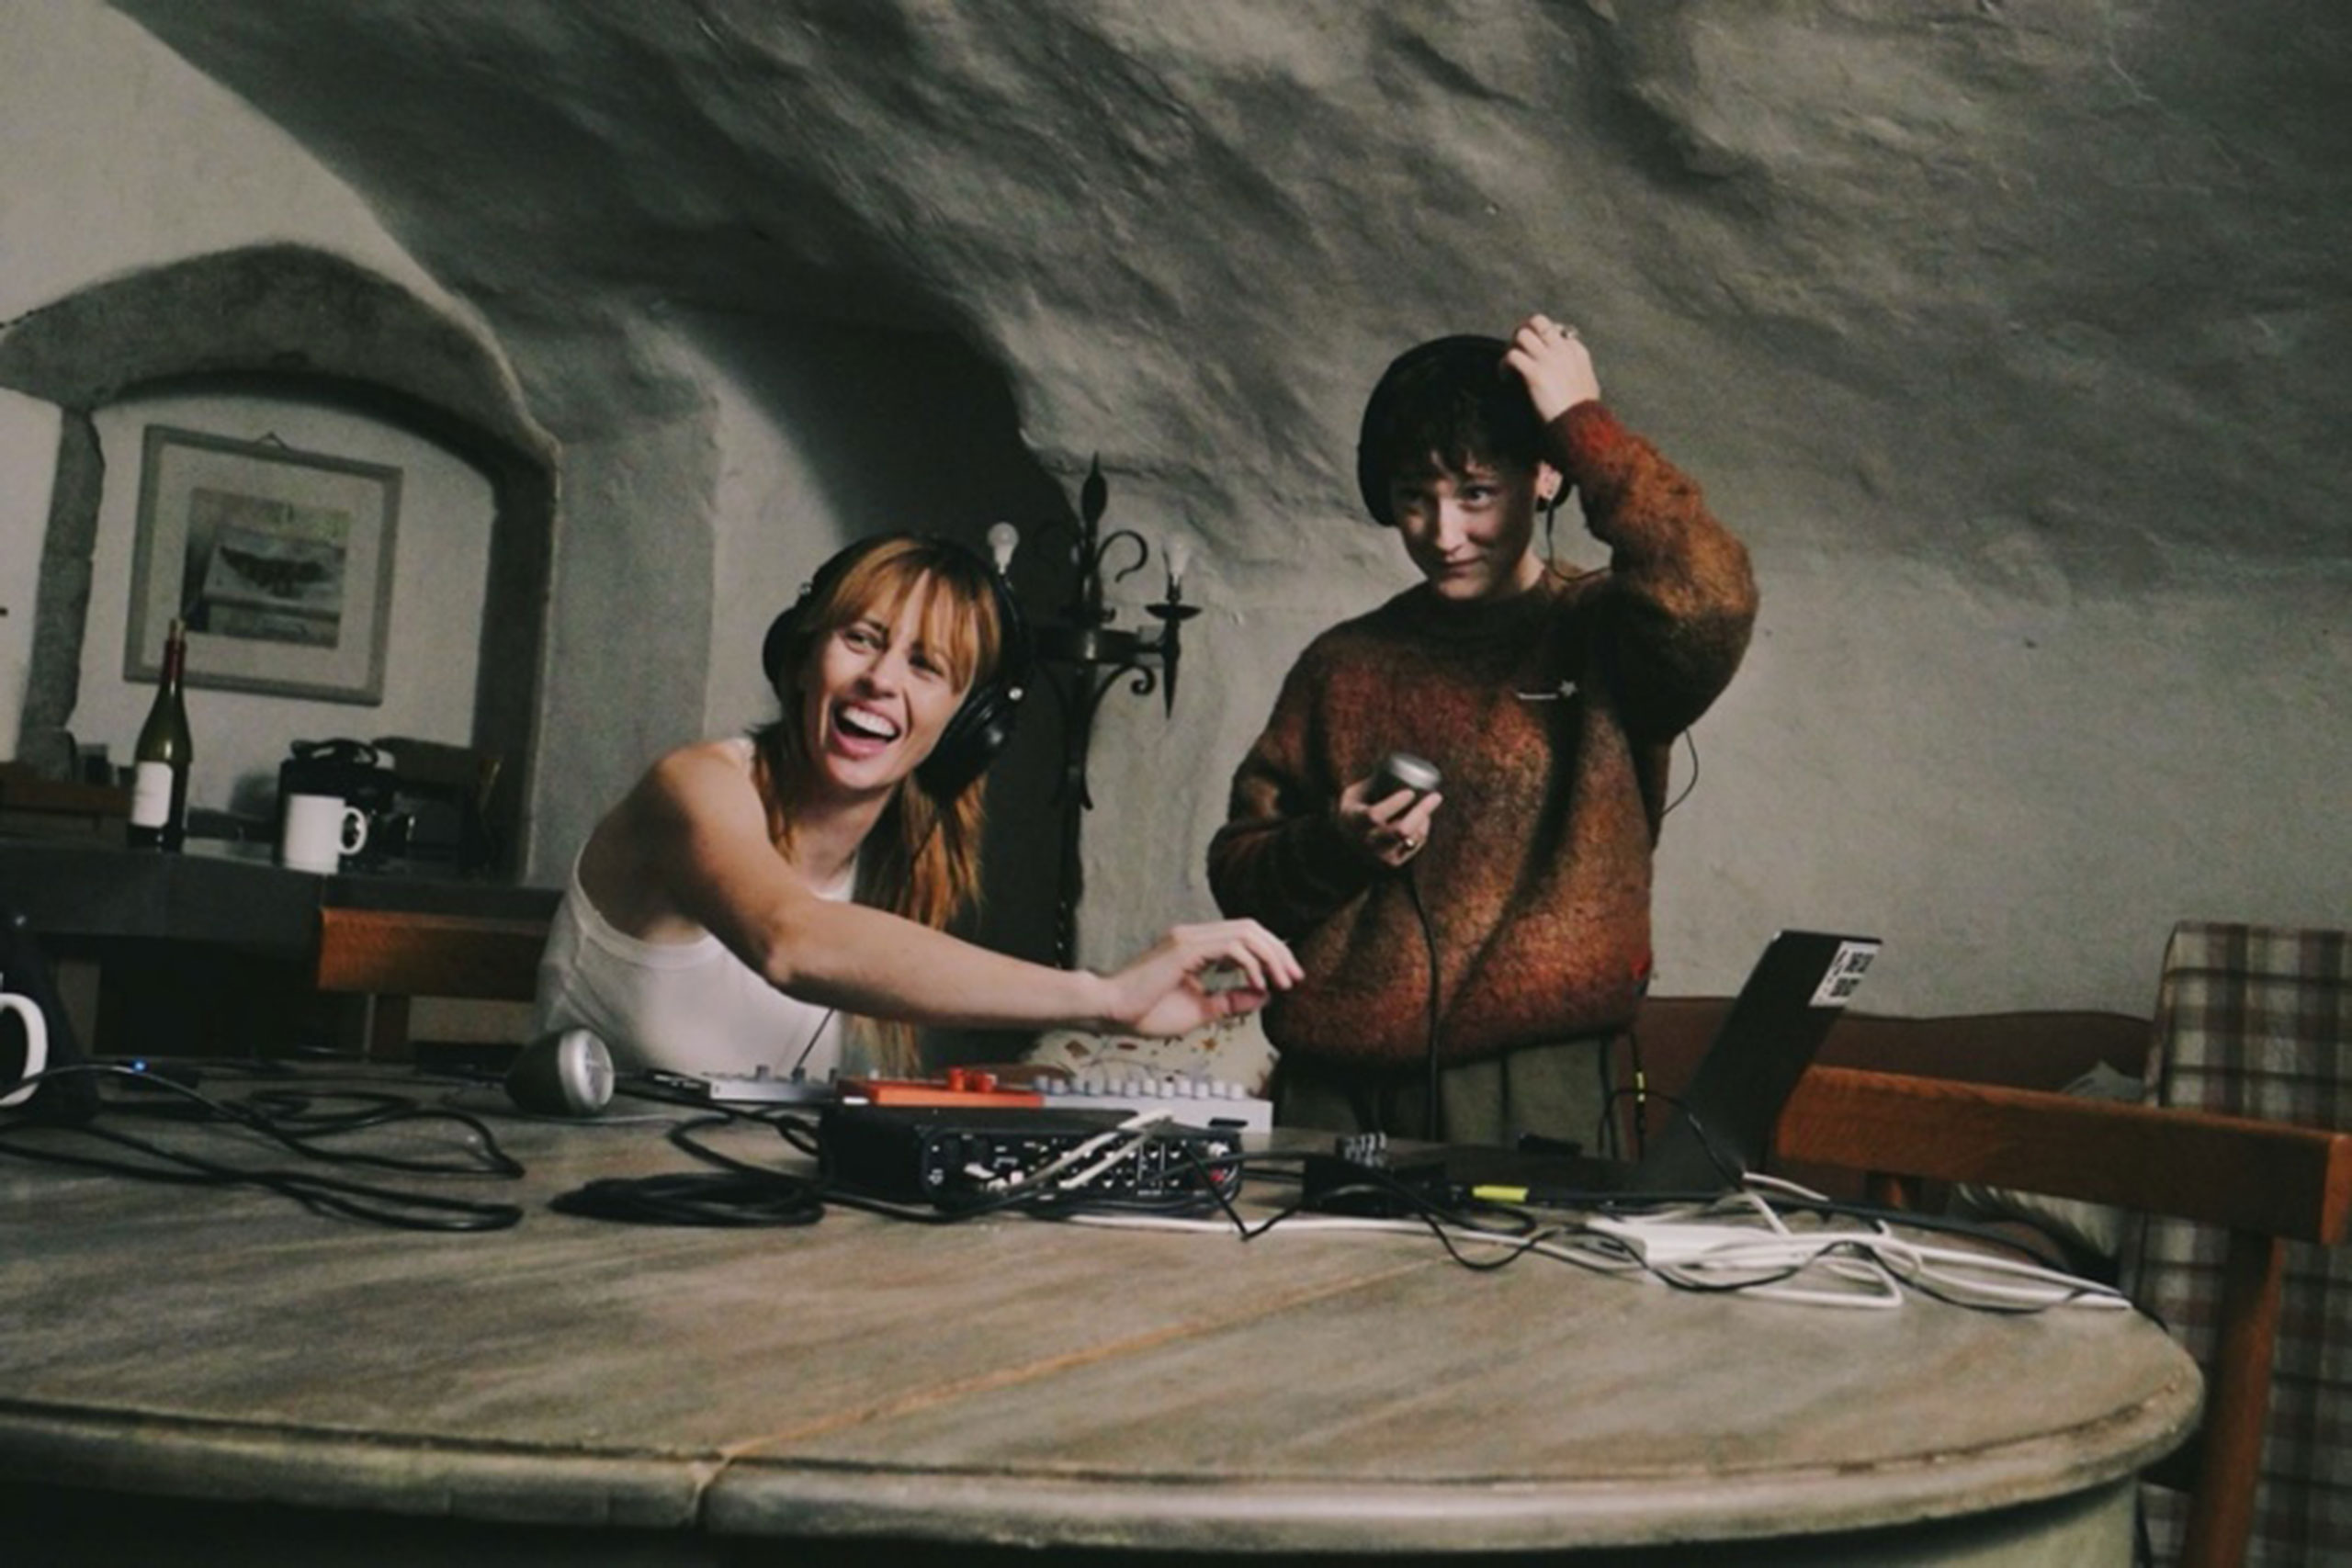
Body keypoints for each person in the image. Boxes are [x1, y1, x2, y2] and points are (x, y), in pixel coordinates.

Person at [1207, 315, 1758, 1147]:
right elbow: (1241, 876)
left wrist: (1585, 428)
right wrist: (1338, 843)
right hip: (1330, 1090)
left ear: (1544, 478)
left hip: (1531, 1086)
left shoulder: (1606, 635)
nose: (1444, 534)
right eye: (1414, 498)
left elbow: (1713, 596)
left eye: (1475, 493)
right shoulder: (1342, 664)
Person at [535, 533, 1300, 1081]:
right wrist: (1102, 997)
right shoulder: (694, 786)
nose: (881, 680)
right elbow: (789, 940)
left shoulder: (894, 862)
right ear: (801, 659)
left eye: (926, 665)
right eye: (861, 638)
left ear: (965, 726)